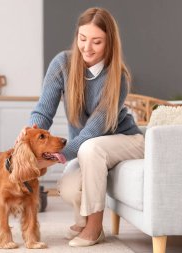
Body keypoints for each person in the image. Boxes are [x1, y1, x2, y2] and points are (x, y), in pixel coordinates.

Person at [17, 7, 144, 247]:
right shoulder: (62, 64)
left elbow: (93, 131)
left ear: (109, 43)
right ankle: (83, 221)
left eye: (96, 42)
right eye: (82, 39)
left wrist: (56, 156)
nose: (87, 47)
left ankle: (94, 227)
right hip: (90, 146)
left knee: (91, 147)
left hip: (125, 141)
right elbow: (44, 110)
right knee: (68, 188)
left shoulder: (118, 77)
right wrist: (30, 134)